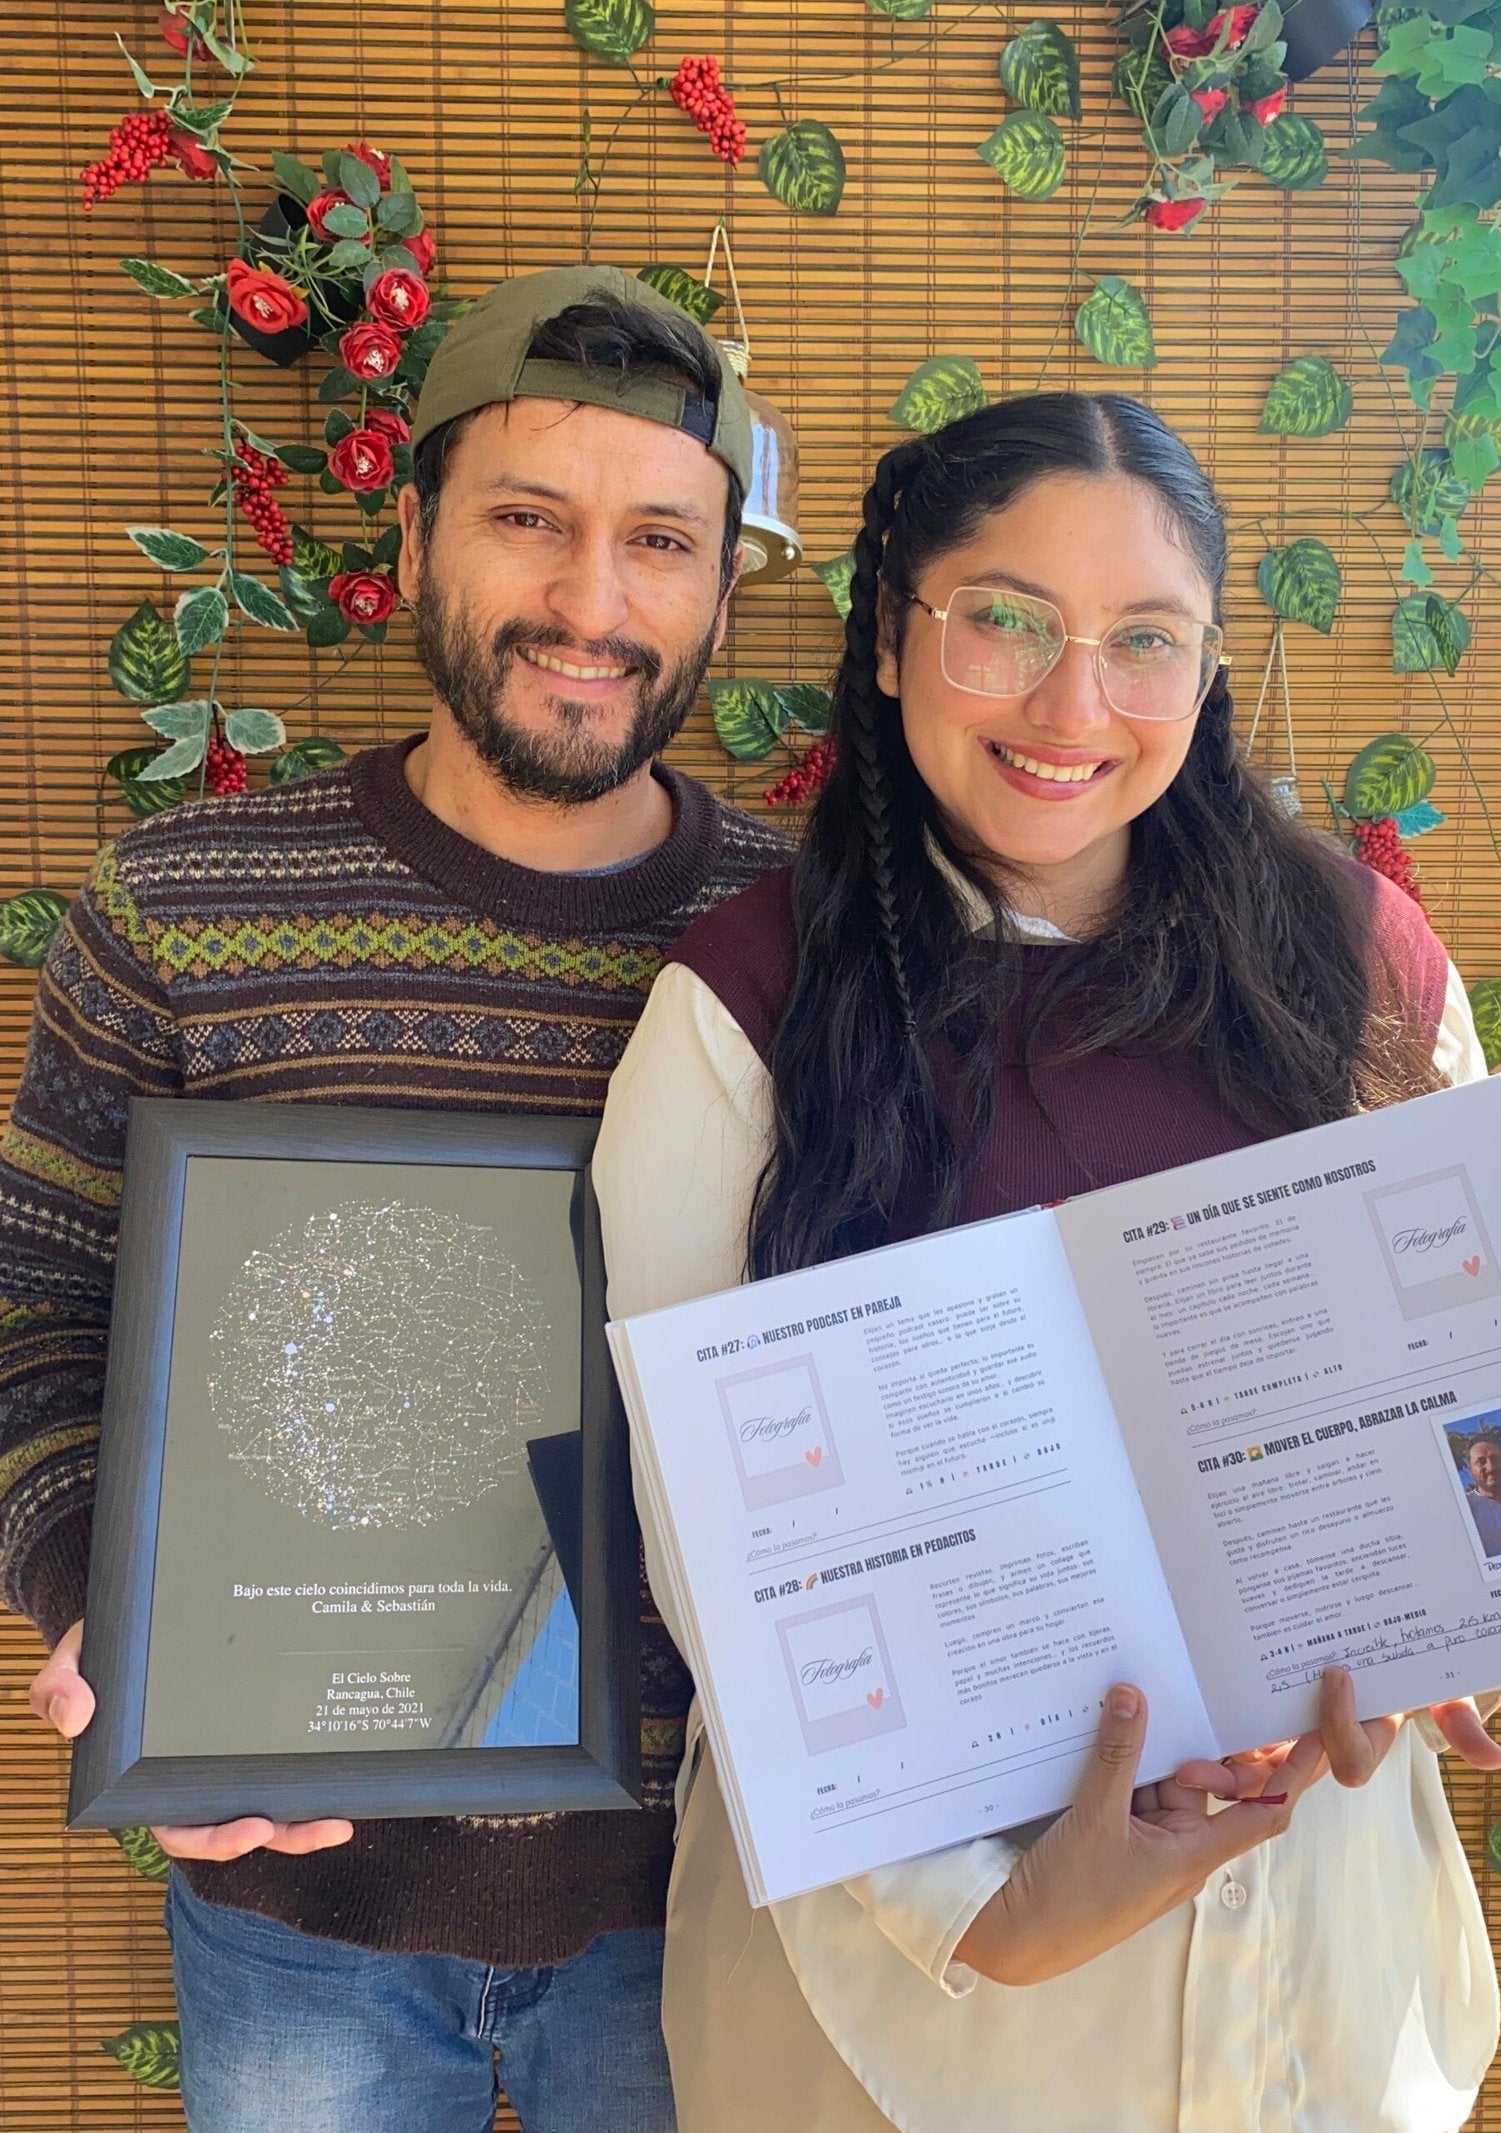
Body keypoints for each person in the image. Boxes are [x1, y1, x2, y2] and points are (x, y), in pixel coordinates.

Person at [592, 392, 1501, 2132]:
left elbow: (1489, 1388)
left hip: (1318, 1959)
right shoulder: (747, 1010)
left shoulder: (1358, 960)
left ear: (1209, 665)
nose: (1073, 707)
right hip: (912, 1999)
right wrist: (989, 1914)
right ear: (888, 635)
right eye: (1003, 620)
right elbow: (715, 1559)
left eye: (1144, 641)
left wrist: (1459, 1603)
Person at [2, 264, 794, 2133]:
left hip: (712, 1904)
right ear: (419, 526)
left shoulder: (814, 937)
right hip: (297, 1909)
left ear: (722, 586)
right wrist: (98, 1604)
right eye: (530, 519)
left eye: (661, 541)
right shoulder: (181, 902)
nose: (594, 604)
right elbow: (34, 1295)